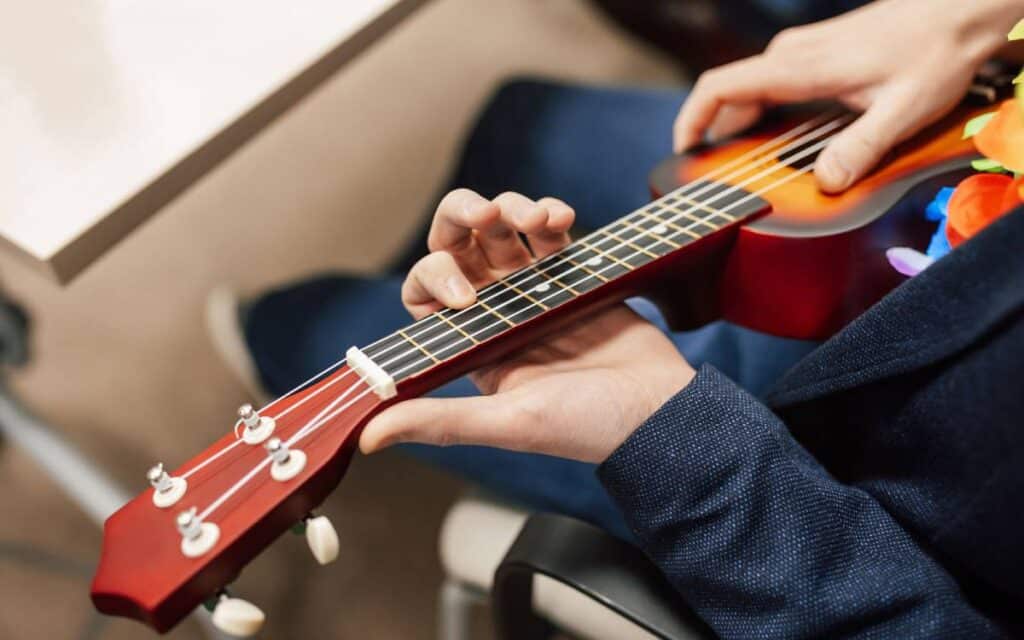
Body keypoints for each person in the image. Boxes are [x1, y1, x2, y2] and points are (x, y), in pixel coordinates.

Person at [225, 0, 1024, 635]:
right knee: (528, 121)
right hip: (957, 194)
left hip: (837, 466)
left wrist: (681, 447)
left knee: (312, 326)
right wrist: (975, 16)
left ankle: (262, 330)